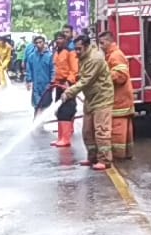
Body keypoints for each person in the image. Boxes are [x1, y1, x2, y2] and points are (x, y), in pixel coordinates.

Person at [62, 35, 115, 170]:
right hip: (90, 97)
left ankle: (105, 160)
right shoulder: (83, 57)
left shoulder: (95, 59)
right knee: (87, 130)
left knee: (101, 130)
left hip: (102, 97)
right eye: (76, 49)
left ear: (86, 46)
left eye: (79, 49)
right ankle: (92, 157)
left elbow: (86, 80)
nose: (77, 52)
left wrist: (69, 92)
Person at [98, 31, 135, 160]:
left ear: (109, 42)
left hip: (119, 101)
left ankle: (118, 156)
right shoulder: (111, 55)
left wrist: (103, 76)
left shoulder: (115, 56)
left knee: (117, 132)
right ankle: (125, 154)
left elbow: (121, 76)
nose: (100, 46)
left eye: (102, 43)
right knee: (125, 132)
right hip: (121, 100)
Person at [51, 31, 79, 147]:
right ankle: (60, 137)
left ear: (66, 40)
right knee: (59, 111)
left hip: (68, 85)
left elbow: (75, 70)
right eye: (57, 39)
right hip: (58, 85)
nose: (59, 41)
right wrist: (53, 82)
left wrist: (69, 81)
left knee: (67, 110)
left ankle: (66, 138)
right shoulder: (56, 53)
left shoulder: (70, 53)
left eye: (61, 38)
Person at [24, 35, 55, 117]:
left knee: (45, 105)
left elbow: (53, 69)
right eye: (36, 43)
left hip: (47, 84)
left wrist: (52, 82)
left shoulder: (50, 56)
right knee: (37, 105)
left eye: (40, 42)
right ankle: (36, 125)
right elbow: (29, 69)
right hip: (36, 85)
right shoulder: (32, 56)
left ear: (44, 43)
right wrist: (28, 80)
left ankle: (40, 125)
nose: (38, 44)